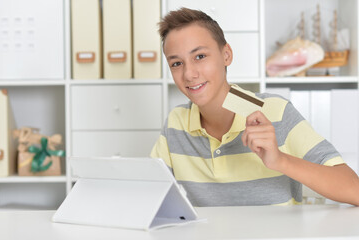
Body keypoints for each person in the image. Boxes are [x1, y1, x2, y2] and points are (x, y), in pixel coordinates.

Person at [150, 7, 359, 207]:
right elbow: (150, 195)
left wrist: (280, 160)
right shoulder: (175, 123)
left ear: (226, 55)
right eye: (176, 63)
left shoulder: (275, 111)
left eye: (200, 56)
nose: (189, 74)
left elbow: (355, 191)